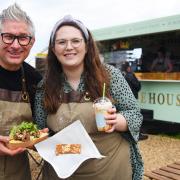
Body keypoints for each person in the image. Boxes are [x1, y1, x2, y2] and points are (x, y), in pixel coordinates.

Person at [34, 15, 143, 180]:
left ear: (87, 46)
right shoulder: (44, 86)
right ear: (54, 49)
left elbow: (135, 114)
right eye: (62, 42)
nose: (69, 47)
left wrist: (118, 121)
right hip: (62, 173)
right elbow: (41, 131)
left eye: (76, 41)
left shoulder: (110, 75)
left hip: (110, 170)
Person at [0, 3, 42, 180]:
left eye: (23, 38)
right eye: (8, 37)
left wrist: (37, 139)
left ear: (32, 42)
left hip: (16, 174)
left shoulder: (35, 80)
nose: (16, 45)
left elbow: (41, 127)